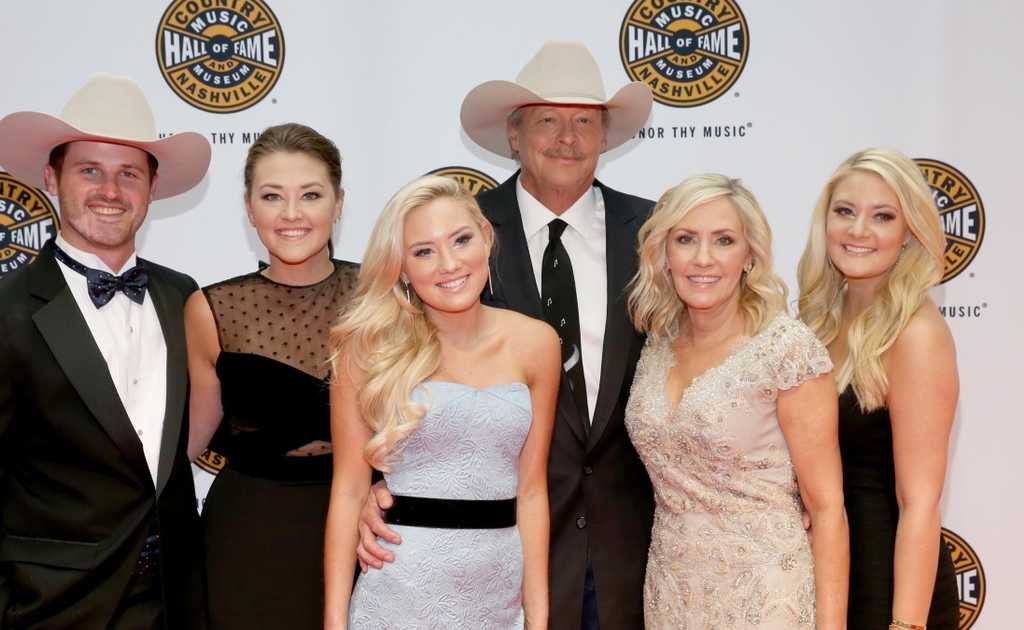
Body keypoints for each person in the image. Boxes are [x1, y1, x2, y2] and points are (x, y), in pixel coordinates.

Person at [357, 41, 656, 629]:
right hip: (485, 552)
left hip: (629, 545)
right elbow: (386, 352)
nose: (566, 138)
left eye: (584, 122)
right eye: (548, 120)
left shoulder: (654, 231)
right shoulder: (456, 232)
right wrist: (385, 481)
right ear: (515, 136)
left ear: (606, 137)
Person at [0, 73, 211, 629]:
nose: (110, 190)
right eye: (89, 171)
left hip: (176, 607)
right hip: (50, 610)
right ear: (52, 179)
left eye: (129, 173)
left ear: (151, 188)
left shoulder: (185, 298)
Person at [324, 176, 559, 629]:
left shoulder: (537, 344)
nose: (448, 264)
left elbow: (531, 492)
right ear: (402, 267)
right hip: (399, 592)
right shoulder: (366, 347)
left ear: (486, 238)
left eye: (461, 240)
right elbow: (349, 490)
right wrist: (335, 623)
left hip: (499, 597)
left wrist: (538, 618)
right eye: (423, 251)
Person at [624, 174, 849, 629]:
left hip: (766, 594)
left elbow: (826, 509)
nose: (703, 258)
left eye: (723, 240)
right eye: (686, 239)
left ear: (749, 255)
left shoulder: (786, 349)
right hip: (671, 590)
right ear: (664, 253)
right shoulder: (655, 343)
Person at [184, 123, 359, 629]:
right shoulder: (211, 308)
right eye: (272, 196)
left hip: (365, 527)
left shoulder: (383, 296)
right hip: (248, 529)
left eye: (310, 195)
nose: (291, 214)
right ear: (248, 207)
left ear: (339, 202)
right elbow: (189, 443)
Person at [798, 148, 960, 630]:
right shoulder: (817, 319)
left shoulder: (916, 334)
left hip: (889, 588)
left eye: (882, 216)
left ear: (909, 232)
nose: (858, 230)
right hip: (824, 579)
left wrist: (905, 624)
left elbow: (920, 503)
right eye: (845, 211)